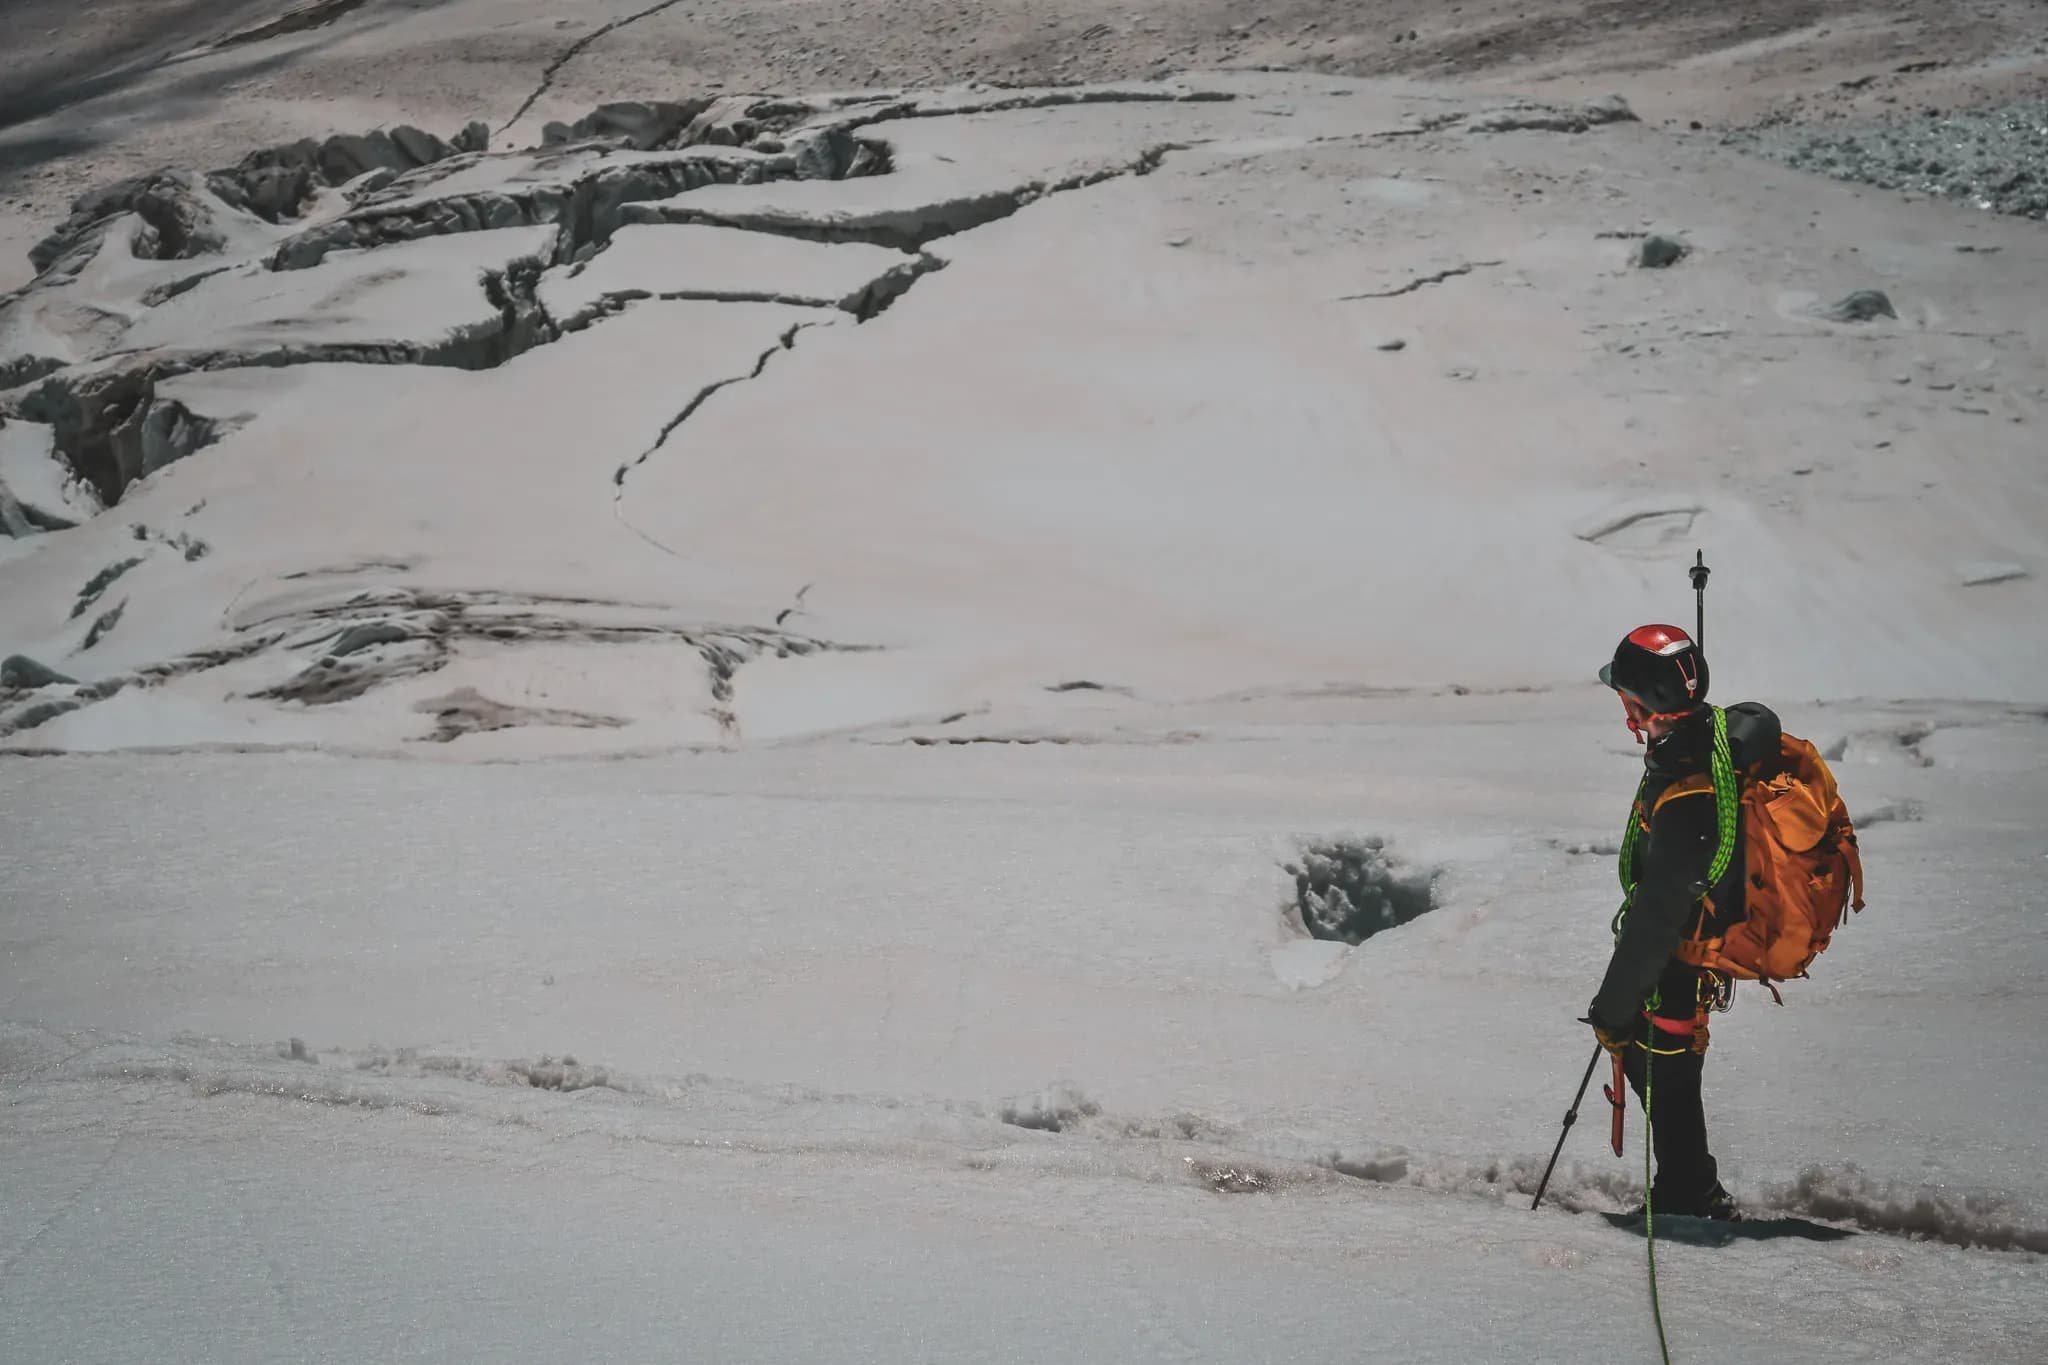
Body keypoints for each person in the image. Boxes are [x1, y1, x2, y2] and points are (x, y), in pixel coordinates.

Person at [1586, 623, 1781, 1222]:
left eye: (1628, 699)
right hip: (1696, 945)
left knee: (1658, 1063)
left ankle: (1688, 1193)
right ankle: (1691, 1185)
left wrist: (1612, 1010)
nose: (1624, 710)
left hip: (1683, 958)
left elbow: (1657, 915)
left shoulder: (1687, 791)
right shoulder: (1714, 742)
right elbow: (1759, 719)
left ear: (1647, 705)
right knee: (1666, 1067)